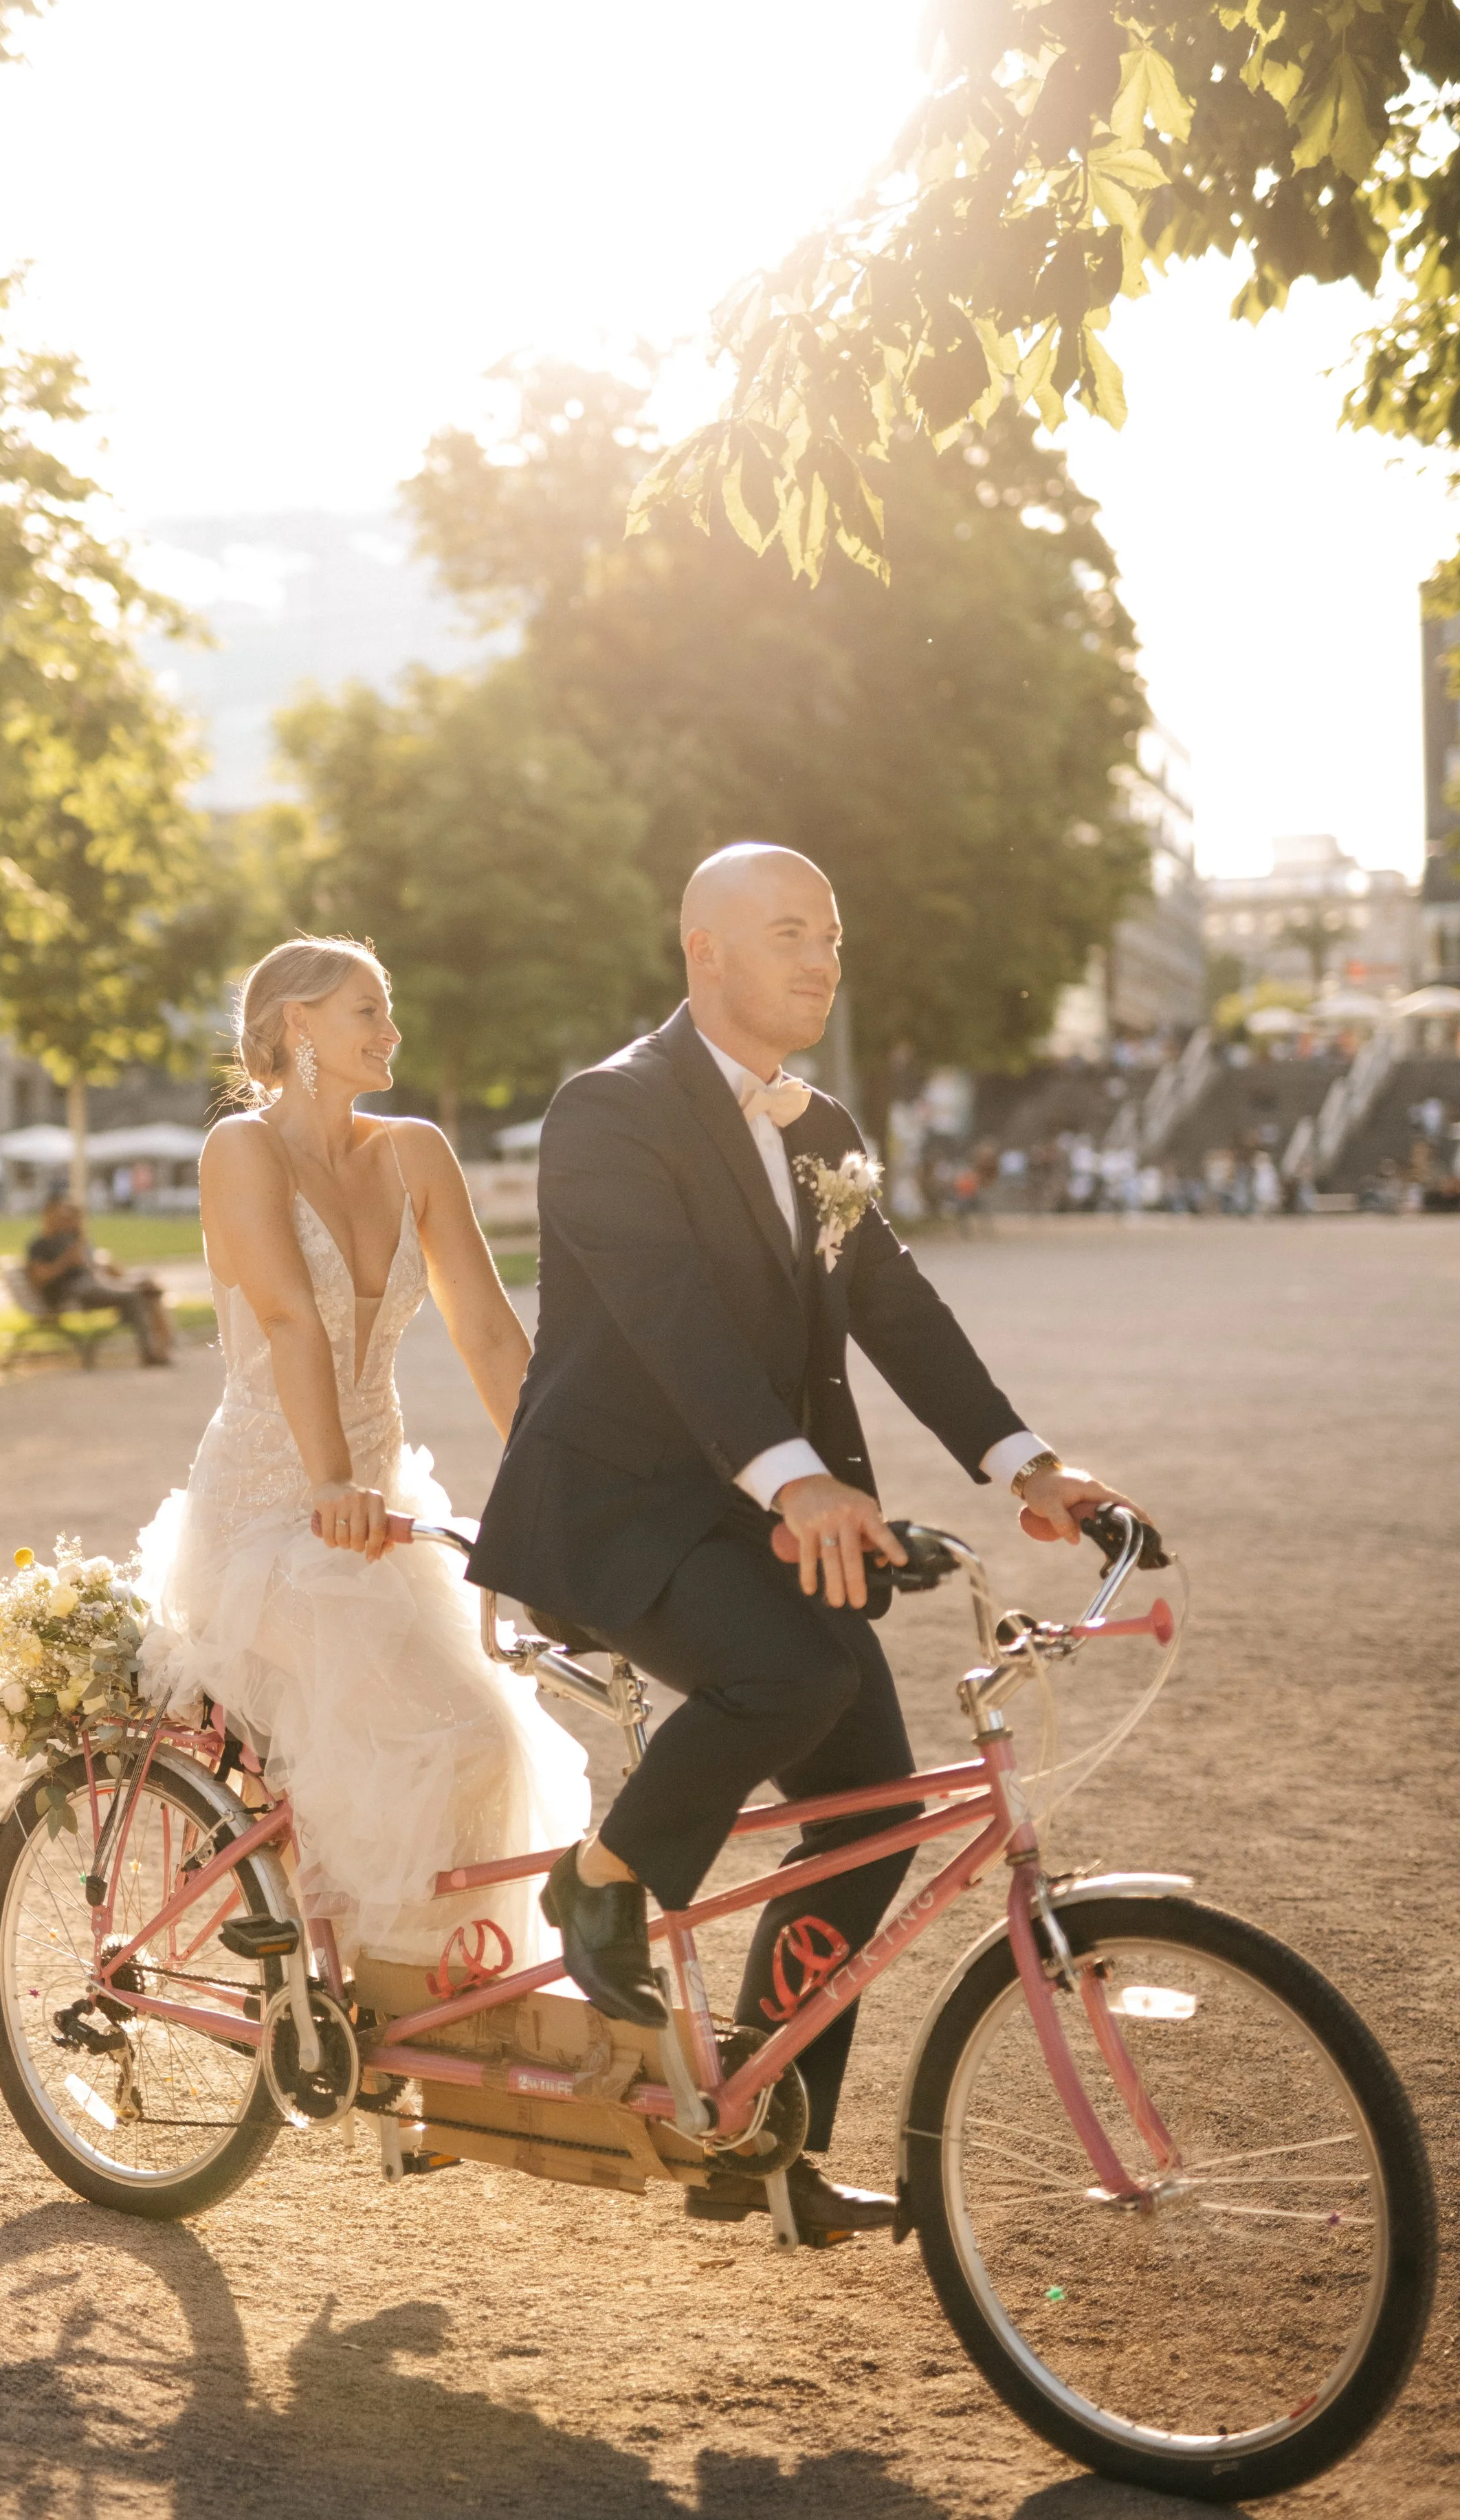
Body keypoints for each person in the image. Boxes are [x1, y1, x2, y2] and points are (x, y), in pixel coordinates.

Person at [470, 845, 1146, 2244]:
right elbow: (670, 1326)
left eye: (831, 935)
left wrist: (1030, 1466)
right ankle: (596, 1884)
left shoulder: (822, 1122)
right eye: (786, 932)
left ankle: (760, 2144)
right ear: (699, 949)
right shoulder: (607, 1110)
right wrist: (792, 1483)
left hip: (760, 1510)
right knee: (791, 1680)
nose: (819, 959)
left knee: (871, 1810)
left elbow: (891, 1304)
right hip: (616, 1506)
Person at [134, 937, 588, 1969]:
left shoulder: (414, 1150)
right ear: (298, 1027)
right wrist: (329, 1481)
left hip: (376, 1513)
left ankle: (436, 1996)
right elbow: (293, 1321)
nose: (392, 1031)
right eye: (366, 1012)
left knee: (491, 1739)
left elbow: (486, 1330)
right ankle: (337, 1958)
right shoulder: (240, 1151)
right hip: (266, 1520)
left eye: (388, 1010)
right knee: (444, 1737)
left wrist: (559, 1476)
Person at [25, 1198, 173, 1366]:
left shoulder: (69, 1239)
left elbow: (92, 1264)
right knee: (134, 1296)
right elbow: (40, 1278)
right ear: (47, 1215)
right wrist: (66, 1262)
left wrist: (80, 1233)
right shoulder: (39, 1245)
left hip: (92, 1284)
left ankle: (161, 1345)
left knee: (146, 1288)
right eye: (59, 1215)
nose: (62, 1219)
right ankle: (150, 1353)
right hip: (72, 1291)